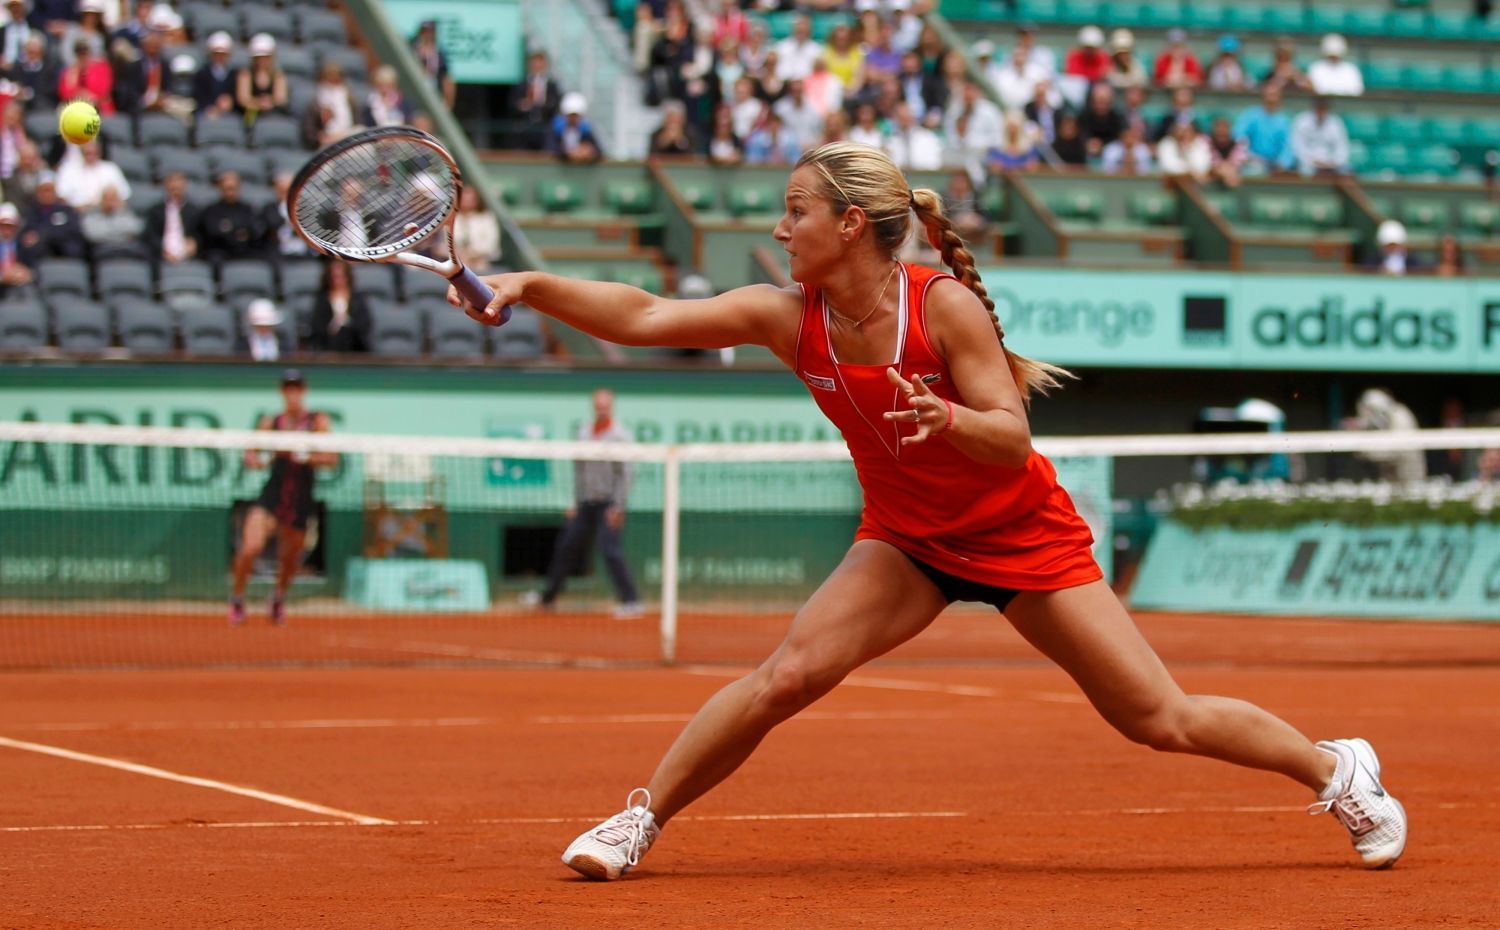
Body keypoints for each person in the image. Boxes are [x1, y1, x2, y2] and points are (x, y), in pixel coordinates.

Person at [448, 141, 1408, 881]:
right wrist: (529, 288)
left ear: (853, 224)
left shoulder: (943, 309)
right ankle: (639, 818)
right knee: (787, 676)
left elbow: (1011, 436)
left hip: (1021, 538)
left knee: (1158, 717)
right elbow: (646, 315)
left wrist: (944, 415)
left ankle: (1337, 773)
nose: (782, 232)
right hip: (906, 543)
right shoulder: (789, 317)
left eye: (797, 212)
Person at [520, 388, 643, 619]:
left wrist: (618, 505)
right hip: (586, 503)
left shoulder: (621, 435)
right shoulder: (584, 432)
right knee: (566, 547)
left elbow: (626, 474)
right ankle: (548, 599)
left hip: (608, 504)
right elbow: (579, 469)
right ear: (593, 407)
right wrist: (575, 500)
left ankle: (631, 601)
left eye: (606, 406)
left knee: (610, 550)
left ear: (612, 407)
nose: (602, 410)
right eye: (598, 406)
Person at [229, 369, 337, 627]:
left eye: (297, 388)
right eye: (288, 388)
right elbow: (251, 454)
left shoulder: (317, 422)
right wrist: (255, 459)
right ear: (282, 392)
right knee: (250, 548)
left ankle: (278, 598)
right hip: (271, 497)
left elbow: (332, 459)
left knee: (289, 561)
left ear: (304, 391)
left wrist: (306, 456)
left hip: (300, 499)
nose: (293, 393)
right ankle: (237, 598)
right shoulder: (271, 422)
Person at [1342, 388, 1425, 483]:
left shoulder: (1400, 416)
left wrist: (1362, 450)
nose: (1366, 414)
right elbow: (1372, 422)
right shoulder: (1385, 415)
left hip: (1409, 474)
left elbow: (1395, 451)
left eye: (1370, 410)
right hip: (1390, 477)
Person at [197, 170, 259, 265]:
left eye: (233, 188)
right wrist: (237, 232)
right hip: (220, 250)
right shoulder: (211, 210)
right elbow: (212, 232)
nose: (230, 192)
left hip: (244, 249)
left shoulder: (247, 209)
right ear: (220, 188)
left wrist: (228, 229)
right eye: (227, 188)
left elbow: (253, 230)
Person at [308, 259, 370, 352]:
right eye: (334, 277)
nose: (337, 281)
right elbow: (317, 325)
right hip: (328, 345)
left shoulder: (357, 299)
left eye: (341, 277)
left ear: (347, 277)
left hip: (354, 344)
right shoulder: (322, 299)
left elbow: (364, 323)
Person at [1233, 84, 1294, 173]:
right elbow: (1239, 136)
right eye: (1269, 95)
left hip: (1276, 164)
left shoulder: (1284, 121)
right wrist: (1249, 156)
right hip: (1253, 161)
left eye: (1274, 95)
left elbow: (1289, 145)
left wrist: (1283, 163)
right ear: (1263, 97)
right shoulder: (1250, 115)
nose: (1271, 98)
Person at [144, 169, 200, 264]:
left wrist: (195, 243)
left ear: (184, 186)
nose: (175, 189)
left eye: (178, 187)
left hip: (188, 254)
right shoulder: (156, 210)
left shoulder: (193, 210)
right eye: (172, 187)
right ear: (166, 187)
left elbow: (200, 233)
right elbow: (150, 235)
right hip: (161, 255)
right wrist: (162, 250)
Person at [509, 50, 561, 150]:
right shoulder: (521, 85)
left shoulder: (552, 86)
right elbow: (512, 106)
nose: (537, 66)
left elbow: (555, 106)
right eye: (535, 63)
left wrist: (542, 102)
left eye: (540, 64)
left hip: (545, 129)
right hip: (524, 130)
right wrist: (524, 105)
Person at [235, 33, 289, 126]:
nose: (262, 61)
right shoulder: (246, 74)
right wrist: (258, 103)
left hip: (273, 114)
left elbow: (281, 98)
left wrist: (270, 102)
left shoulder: (277, 75)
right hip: (251, 115)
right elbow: (243, 98)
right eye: (259, 58)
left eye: (265, 57)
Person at [79, 183, 145, 259]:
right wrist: (121, 234)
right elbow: (93, 235)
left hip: (127, 247)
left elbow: (136, 229)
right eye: (107, 199)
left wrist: (118, 213)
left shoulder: (126, 213)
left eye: (114, 199)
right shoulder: (92, 215)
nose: (110, 202)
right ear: (101, 200)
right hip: (103, 248)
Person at [1291, 96, 1349, 176]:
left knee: (1346, 171)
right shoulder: (1301, 121)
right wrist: (1313, 162)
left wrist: (1332, 162)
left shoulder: (1336, 122)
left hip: (1331, 164)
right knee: (1305, 171)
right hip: (1309, 164)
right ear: (1313, 107)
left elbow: (1342, 148)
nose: (1321, 110)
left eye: (1324, 107)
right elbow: (1298, 148)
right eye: (1319, 106)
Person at [452, 185, 500, 273]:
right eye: (464, 198)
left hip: (481, 260)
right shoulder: (451, 218)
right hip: (457, 261)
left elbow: (490, 244)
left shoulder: (486, 218)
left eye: (470, 199)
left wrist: (473, 253)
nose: (466, 201)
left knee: (480, 266)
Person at [546, 92, 603, 163]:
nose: (573, 118)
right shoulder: (555, 130)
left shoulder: (586, 131)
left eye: (576, 115)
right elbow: (550, 149)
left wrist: (588, 151)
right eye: (571, 115)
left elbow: (599, 151)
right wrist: (569, 153)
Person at [410, 19, 455, 109]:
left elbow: (446, 78)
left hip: (434, 93)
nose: (427, 34)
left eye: (429, 31)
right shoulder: (413, 50)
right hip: (415, 92)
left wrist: (447, 102)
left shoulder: (439, 53)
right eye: (424, 31)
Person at [193, 31, 237, 118]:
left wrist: (230, 101)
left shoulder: (234, 74)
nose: (220, 57)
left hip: (230, 111)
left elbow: (235, 95)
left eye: (223, 54)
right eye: (217, 54)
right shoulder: (202, 73)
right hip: (206, 111)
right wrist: (211, 106)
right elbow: (199, 95)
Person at [0, 201, 38, 295]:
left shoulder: (24, 246)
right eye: (3, 226)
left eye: (10, 226)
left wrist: (26, 274)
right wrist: (3, 276)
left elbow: (34, 270)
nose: (7, 230)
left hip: (20, 287)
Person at [245, 297, 283, 361]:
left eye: (267, 325)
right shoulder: (242, 344)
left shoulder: (283, 342)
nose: (264, 328)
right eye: (259, 326)